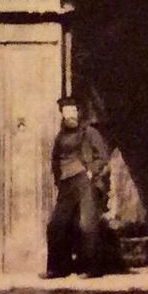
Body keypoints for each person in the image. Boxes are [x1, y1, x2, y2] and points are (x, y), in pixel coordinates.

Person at [46, 96, 110, 278]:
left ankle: (91, 269)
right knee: (56, 225)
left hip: (84, 180)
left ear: (78, 112)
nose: (71, 114)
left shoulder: (89, 132)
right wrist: (59, 179)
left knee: (86, 224)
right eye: (67, 111)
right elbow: (55, 159)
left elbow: (103, 157)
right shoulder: (60, 136)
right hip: (66, 183)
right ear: (62, 114)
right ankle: (59, 268)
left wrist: (91, 171)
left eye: (74, 110)